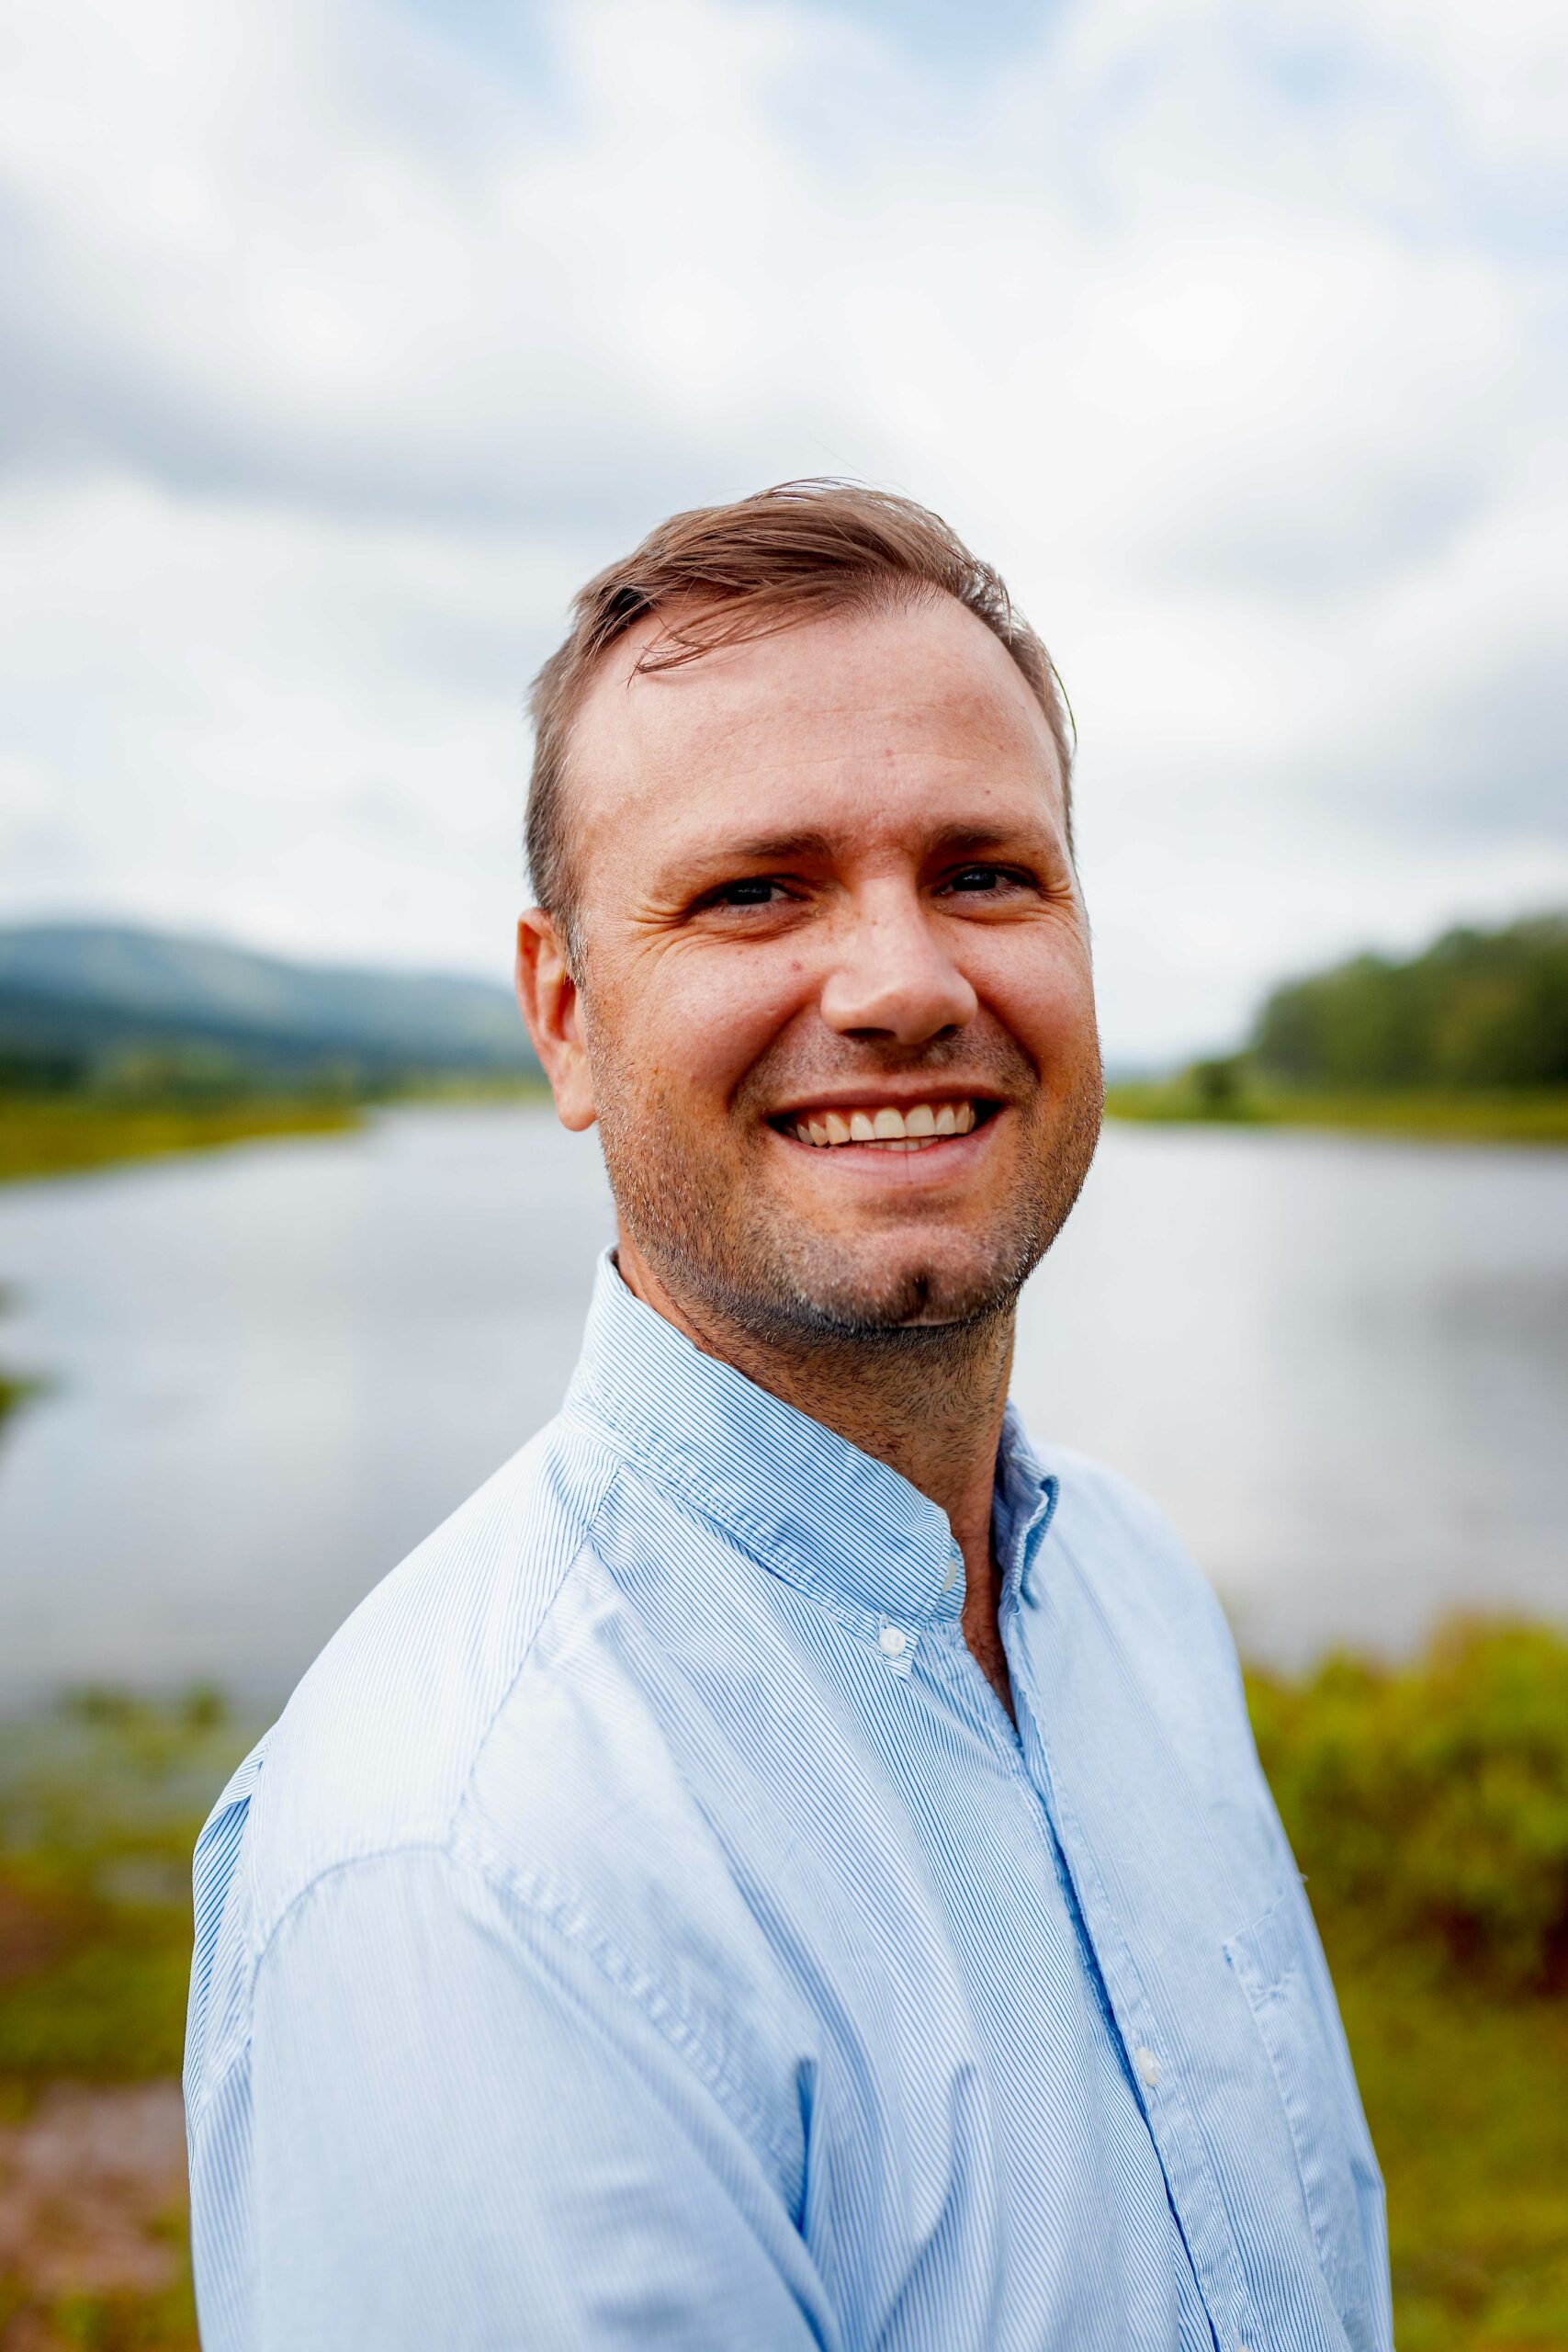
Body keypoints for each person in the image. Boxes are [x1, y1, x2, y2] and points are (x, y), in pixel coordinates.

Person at [185, 481, 1392, 2351]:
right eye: (757, 887)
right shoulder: (472, 1865)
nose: (907, 983)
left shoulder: (1131, 1600)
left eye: (986, 870)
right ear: (566, 1014)